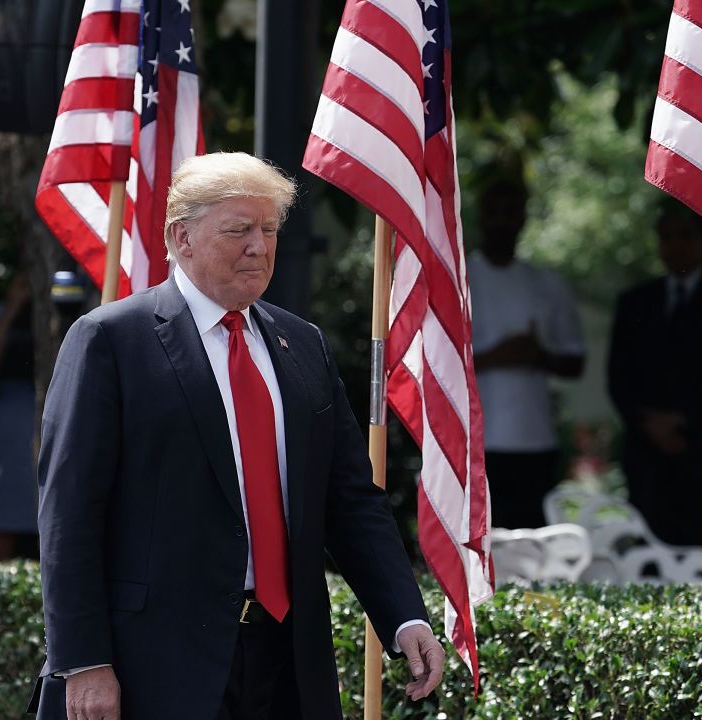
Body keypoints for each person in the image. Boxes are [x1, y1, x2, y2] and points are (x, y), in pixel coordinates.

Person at [28, 152, 444, 720]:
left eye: (269, 229)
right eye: (239, 229)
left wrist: (403, 616)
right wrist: (82, 661)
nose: (260, 246)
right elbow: (69, 514)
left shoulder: (303, 346)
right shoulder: (110, 341)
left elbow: (349, 498)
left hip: (284, 660)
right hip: (155, 664)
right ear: (182, 238)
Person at [608, 205, 702, 557]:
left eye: (685, 236)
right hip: (650, 457)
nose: (675, 246)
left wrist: (684, 419)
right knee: (655, 556)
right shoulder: (636, 302)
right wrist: (650, 424)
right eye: (666, 237)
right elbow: (618, 376)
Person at [468, 175, 585, 530]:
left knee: (533, 538)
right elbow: (433, 361)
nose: (502, 222)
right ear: (482, 217)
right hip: (477, 437)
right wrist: (494, 356)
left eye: (510, 213)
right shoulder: (461, 278)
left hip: (535, 438)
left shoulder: (547, 285)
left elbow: (574, 361)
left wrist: (538, 355)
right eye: (494, 213)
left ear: (522, 219)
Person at [0, 271, 88, 560]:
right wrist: (13, 307)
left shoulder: (95, 310)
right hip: (9, 442)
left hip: (73, 428)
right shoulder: (4, 315)